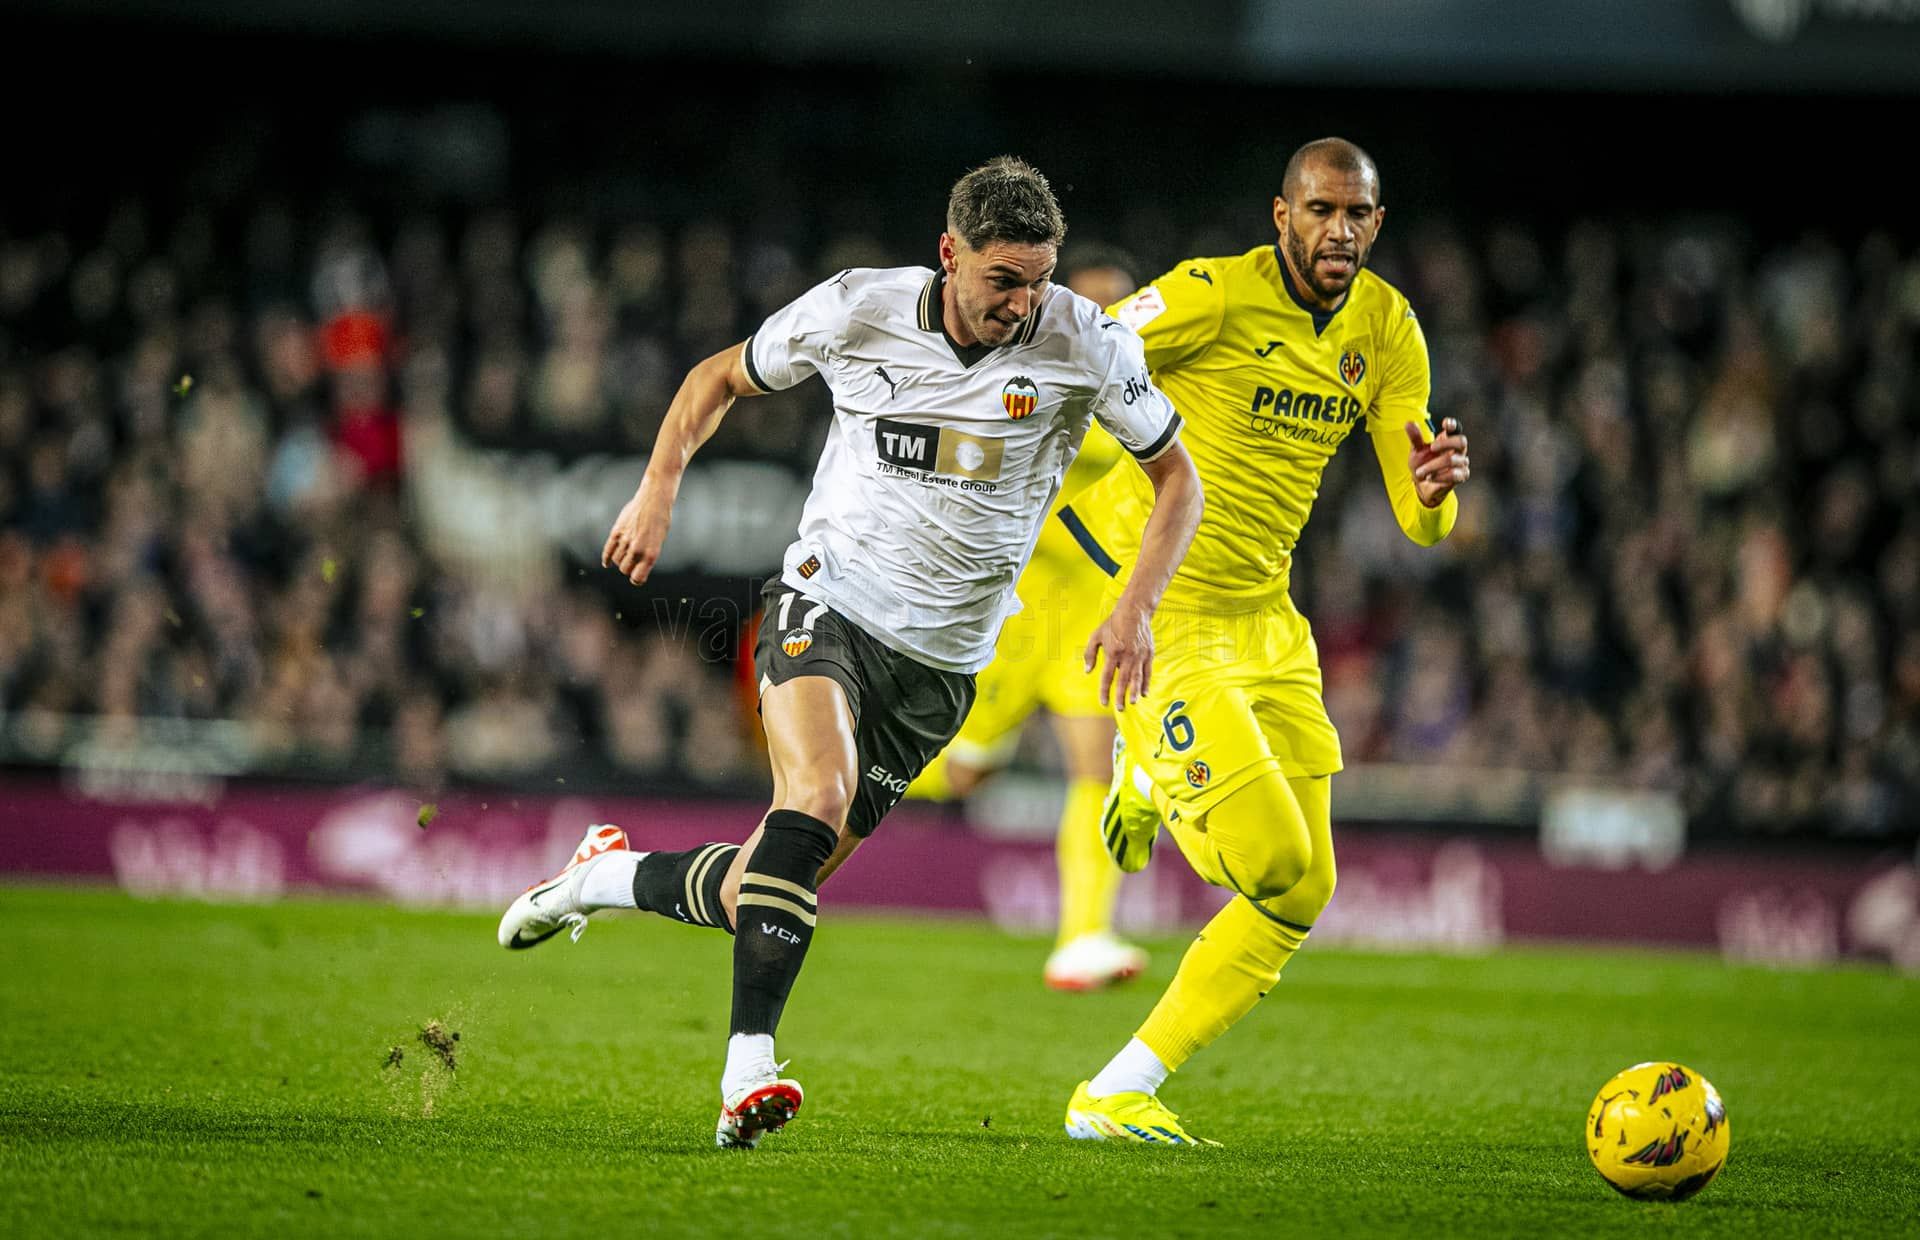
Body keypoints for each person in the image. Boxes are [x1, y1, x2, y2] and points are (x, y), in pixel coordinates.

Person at [494, 157, 1204, 1150]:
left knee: (767, 883)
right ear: (949, 254)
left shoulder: (1085, 343)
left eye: (1037, 280)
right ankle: (748, 1071)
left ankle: (601, 878)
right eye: (1004, 280)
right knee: (815, 799)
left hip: (943, 669)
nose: (1022, 303)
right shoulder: (857, 310)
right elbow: (717, 377)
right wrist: (658, 487)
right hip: (824, 601)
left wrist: (1134, 607)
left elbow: (1179, 478)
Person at [1055, 138, 1471, 1145]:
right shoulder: (1209, 294)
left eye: (1359, 214)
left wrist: (1434, 501)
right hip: (1168, 611)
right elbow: (1085, 352)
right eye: (1321, 209)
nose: (1340, 230)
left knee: (1305, 887)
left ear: (1377, 222)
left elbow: (1422, 526)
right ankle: (1151, 772)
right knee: (1267, 856)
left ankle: (1115, 1088)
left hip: (1270, 624)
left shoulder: (1387, 329)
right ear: (1280, 215)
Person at [906, 247, 1156, 993]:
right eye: (1093, 305)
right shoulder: (1025, 378)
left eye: (1120, 307)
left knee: (1094, 766)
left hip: (1087, 609)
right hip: (1014, 606)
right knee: (958, 772)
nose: (1104, 320)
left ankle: (1082, 936)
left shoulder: (1144, 395)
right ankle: (822, 789)